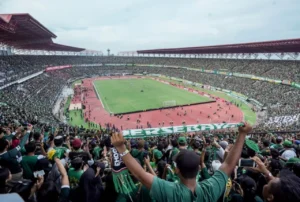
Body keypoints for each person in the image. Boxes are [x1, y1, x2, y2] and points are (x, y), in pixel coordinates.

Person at [111, 122, 252, 202]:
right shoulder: (210, 190)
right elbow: (228, 164)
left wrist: (121, 148)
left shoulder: (170, 191)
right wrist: (242, 134)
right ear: (198, 168)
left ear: (177, 170)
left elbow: (140, 174)